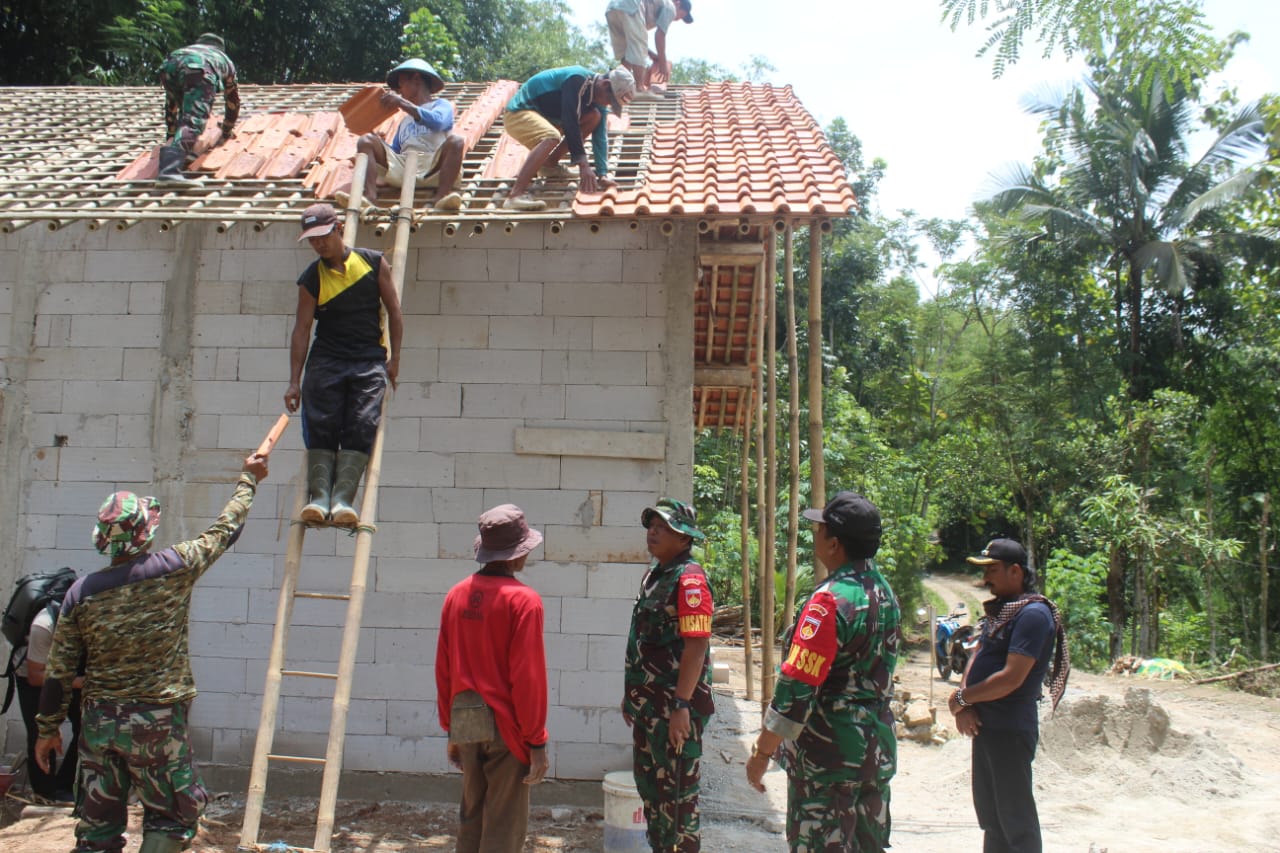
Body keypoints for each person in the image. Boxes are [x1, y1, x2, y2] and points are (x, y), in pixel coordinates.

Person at [34, 452, 270, 853]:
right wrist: (249, 480)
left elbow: (58, 672)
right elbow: (225, 530)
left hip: (100, 725)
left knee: (96, 829)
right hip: (158, 722)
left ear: (104, 540)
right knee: (172, 819)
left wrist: (47, 730)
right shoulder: (175, 567)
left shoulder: (80, 594)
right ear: (146, 532)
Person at [746, 491, 903, 853]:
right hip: (875, 751)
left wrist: (762, 752)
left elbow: (797, 688)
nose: (814, 534)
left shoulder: (830, 600)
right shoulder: (884, 592)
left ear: (834, 544)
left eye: (819, 529)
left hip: (829, 761)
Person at [435, 504, 549, 853]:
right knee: (503, 823)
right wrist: (537, 742)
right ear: (517, 554)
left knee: (471, 815)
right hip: (507, 726)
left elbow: (444, 667)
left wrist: (450, 729)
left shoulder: (456, 594)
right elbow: (528, 677)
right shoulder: (524, 601)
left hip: (465, 717)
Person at [948, 538, 1070, 853]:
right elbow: (978, 656)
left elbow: (1011, 678)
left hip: (1009, 729)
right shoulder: (1003, 613)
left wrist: (963, 699)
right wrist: (965, 703)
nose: (985, 578)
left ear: (1015, 571)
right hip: (987, 727)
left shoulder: (1033, 615)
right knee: (992, 820)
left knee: (1016, 822)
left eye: (992, 570)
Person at [285, 203, 403, 526]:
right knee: (321, 421)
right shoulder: (312, 278)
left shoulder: (372, 263)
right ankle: (320, 496)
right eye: (312, 240)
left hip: (368, 359)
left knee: (362, 422)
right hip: (327, 359)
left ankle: (342, 499)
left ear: (338, 229)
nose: (319, 244)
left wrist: (395, 359)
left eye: (323, 236)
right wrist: (294, 381)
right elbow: (301, 330)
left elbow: (394, 311)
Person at [622, 498, 714, 853]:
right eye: (651, 525)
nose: (653, 532)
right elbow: (642, 642)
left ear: (684, 537)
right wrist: (631, 696)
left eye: (664, 527)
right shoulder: (656, 574)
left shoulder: (690, 580)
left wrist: (681, 705)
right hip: (649, 708)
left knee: (677, 805)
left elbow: (697, 645)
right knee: (652, 796)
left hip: (673, 712)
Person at [335, 58, 466, 212]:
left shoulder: (440, 105)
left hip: (434, 167)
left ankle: (441, 197)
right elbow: (394, 153)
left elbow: (438, 122)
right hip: (405, 169)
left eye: (401, 84)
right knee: (366, 141)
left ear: (416, 79)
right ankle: (370, 197)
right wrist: (373, 145)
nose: (399, 91)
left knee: (456, 141)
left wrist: (402, 103)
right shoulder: (404, 122)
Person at [500, 65, 636, 211]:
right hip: (519, 112)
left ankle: (549, 166)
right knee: (551, 136)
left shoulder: (597, 98)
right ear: (605, 84)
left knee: (594, 117)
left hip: (546, 118)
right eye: (610, 100)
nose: (608, 104)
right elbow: (570, 120)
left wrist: (602, 174)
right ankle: (515, 196)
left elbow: (600, 136)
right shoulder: (577, 79)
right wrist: (583, 165)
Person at [16, 601, 81, 802]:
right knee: (42, 731)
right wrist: (80, 681)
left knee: (87, 725)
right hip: (35, 677)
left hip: (69, 673)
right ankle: (44, 794)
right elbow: (35, 677)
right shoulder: (44, 625)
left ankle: (66, 786)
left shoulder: (91, 621)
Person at [157, 33, 240, 185]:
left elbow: (171, 104)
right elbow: (232, 101)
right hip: (198, 69)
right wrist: (227, 129)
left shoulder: (186, 50)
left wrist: (171, 135)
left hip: (168, 65)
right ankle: (169, 172)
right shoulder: (224, 60)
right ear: (220, 48)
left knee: (183, 109)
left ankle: (177, 149)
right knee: (193, 120)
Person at [605, 0, 693, 95]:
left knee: (626, 53)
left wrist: (651, 54)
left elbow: (634, 41)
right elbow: (660, 35)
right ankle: (640, 89)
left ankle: (621, 87)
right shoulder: (670, 6)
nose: (678, 19)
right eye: (681, 15)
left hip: (613, 8)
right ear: (677, 3)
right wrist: (663, 63)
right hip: (632, 6)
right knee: (638, 50)